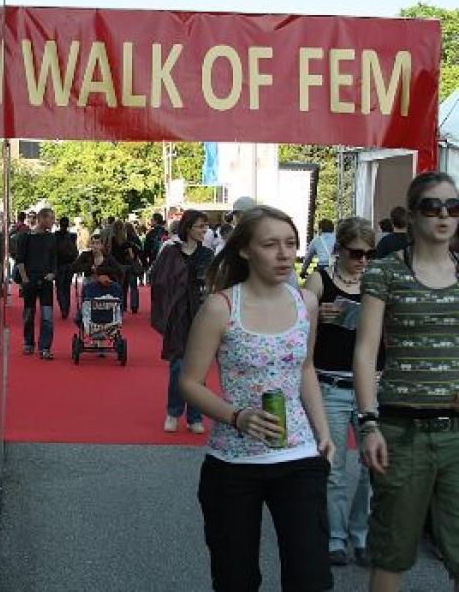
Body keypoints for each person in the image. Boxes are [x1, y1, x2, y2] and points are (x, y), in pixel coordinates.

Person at [179, 205, 334, 592]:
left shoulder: (306, 303)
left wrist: (323, 433)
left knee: (310, 578)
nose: (284, 254)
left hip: (298, 456)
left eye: (291, 244)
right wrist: (237, 416)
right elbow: (190, 383)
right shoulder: (220, 307)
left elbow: (306, 368)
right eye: (270, 245)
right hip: (233, 462)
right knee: (236, 579)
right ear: (245, 250)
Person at [353, 172, 459, 592]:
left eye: (453, 207)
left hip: (457, 431)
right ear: (412, 216)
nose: (444, 215)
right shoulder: (385, 272)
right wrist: (369, 424)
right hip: (401, 432)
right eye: (432, 207)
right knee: (391, 553)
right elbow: (366, 352)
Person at [303, 217, 382, 567]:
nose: (363, 260)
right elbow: (298, 324)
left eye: (369, 254)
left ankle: (361, 535)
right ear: (338, 250)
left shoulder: (378, 281)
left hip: (374, 385)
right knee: (334, 466)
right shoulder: (319, 280)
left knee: (373, 466)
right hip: (330, 384)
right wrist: (316, 315)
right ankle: (335, 537)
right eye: (356, 253)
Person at [152, 210, 213, 434]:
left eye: (206, 226)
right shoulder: (171, 252)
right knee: (177, 365)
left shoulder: (207, 254)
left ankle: (195, 416)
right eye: (200, 226)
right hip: (177, 315)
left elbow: (213, 282)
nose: (204, 230)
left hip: (200, 314)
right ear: (188, 228)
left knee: (198, 367)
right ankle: (173, 412)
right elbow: (158, 281)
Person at [16, 208, 57, 360]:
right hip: (30, 280)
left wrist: (53, 273)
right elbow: (20, 260)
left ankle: (45, 347)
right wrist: (25, 279)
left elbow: (54, 258)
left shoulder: (51, 237)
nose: (53, 221)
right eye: (51, 218)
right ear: (42, 219)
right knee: (28, 314)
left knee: (47, 316)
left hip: (46, 281)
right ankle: (28, 342)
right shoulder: (25, 237)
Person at [109, 220, 143, 314]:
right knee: (132, 287)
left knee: (119, 287)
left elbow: (111, 254)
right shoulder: (128, 240)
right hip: (129, 265)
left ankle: (121, 306)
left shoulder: (112, 240)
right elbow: (135, 254)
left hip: (118, 266)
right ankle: (134, 306)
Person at [54, 216, 78, 319]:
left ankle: (63, 307)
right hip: (69, 265)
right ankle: (66, 308)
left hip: (59, 265)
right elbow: (75, 252)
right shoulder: (72, 236)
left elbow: (53, 252)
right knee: (66, 287)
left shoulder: (55, 236)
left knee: (60, 287)